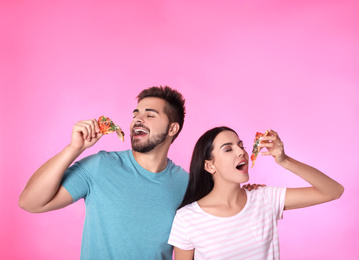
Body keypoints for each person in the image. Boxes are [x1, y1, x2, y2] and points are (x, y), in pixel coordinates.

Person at [19, 86, 189, 259]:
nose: (138, 120)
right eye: (135, 115)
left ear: (172, 129)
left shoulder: (187, 185)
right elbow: (30, 202)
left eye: (150, 115)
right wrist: (74, 149)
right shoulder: (101, 166)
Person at [168, 127, 344, 260]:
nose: (241, 152)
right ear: (209, 166)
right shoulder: (187, 218)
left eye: (241, 145)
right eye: (228, 149)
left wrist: (284, 160)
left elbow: (333, 191)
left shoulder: (265, 198)